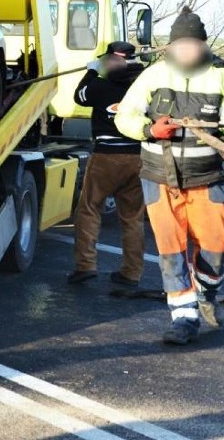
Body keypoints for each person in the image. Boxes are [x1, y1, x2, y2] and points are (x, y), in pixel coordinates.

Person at [115, 7, 224, 345]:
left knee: (217, 246)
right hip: (159, 177)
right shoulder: (152, 76)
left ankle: (206, 292)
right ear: (170, 47)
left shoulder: (223, 80)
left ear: (203, 46)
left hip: (207, 177)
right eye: (180, 45)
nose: (186, 50)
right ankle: (184, 318)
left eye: (193, 44)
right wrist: (148, 129)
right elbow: (124, 117)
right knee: (171, 251)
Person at [67, 41, 146, 286]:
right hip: (137, 156)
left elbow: (79, 97)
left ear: (111, 59)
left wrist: (91, 70)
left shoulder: (100, 85)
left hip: (106, 157)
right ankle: (131, 272)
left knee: (89, 209)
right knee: (133, 217)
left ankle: (86, 265)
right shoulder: (143, 86)